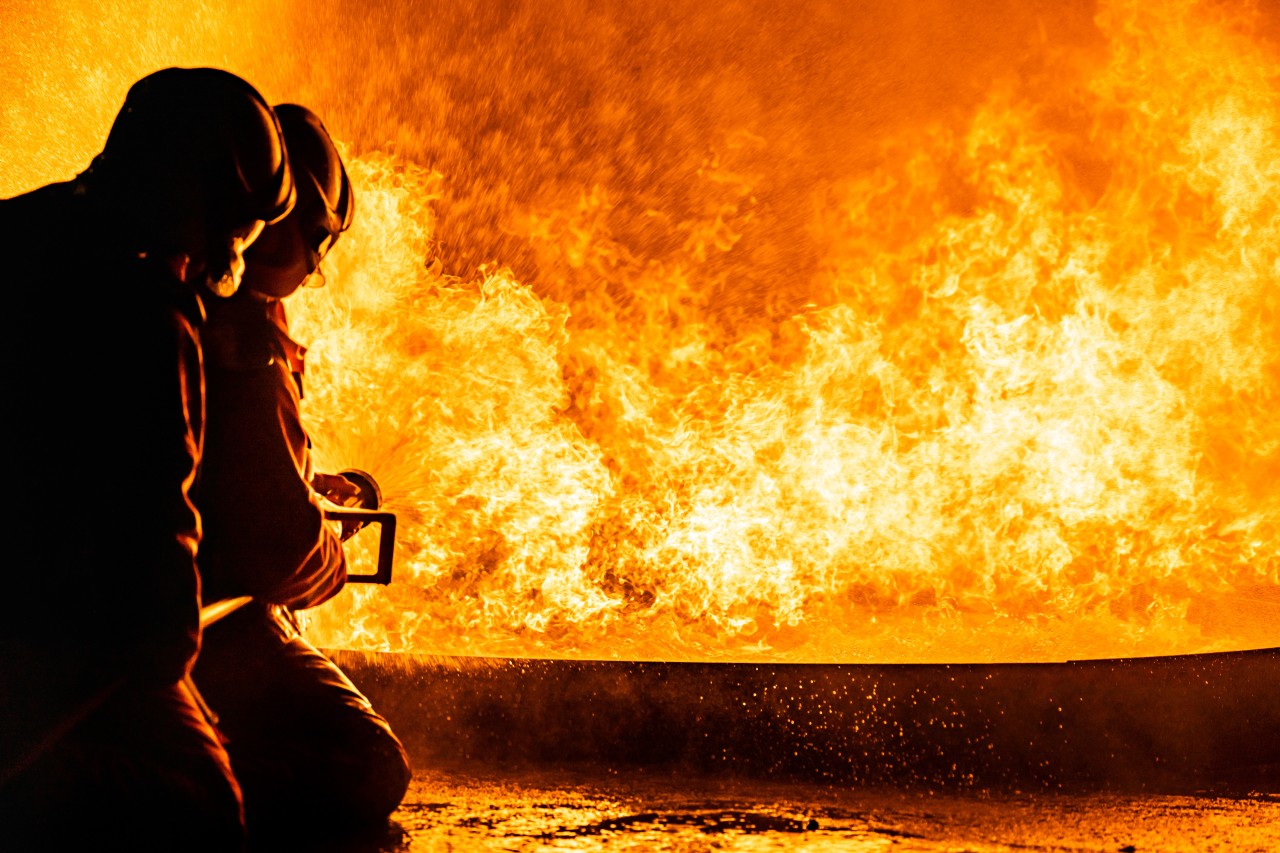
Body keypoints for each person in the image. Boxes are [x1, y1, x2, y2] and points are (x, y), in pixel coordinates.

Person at [0, 67, 295, 851]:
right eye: (238, 230)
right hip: (53, 648)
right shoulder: (144, 312)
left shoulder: (21, 229)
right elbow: (159, 614)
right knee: (203, 808)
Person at [191, 103, 412, 839]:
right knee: (367, 762)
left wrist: (306, 486)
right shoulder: (242, 341)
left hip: (168, 610)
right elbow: (280, 549)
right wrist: (328, 545)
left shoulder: (171, 301)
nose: (316, 264)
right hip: (202, 627)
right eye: (315, 241)